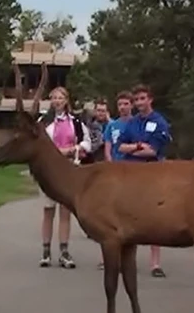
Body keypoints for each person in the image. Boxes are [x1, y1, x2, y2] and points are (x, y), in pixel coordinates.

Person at [117, 85, 172, 277]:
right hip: (130, 175)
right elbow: (121, 147)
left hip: (152, 175)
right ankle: (125, 260)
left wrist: (133, 148)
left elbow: (153, 151)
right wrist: (137, 146)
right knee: (127, 215)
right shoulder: (131, 123)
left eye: (142, 99)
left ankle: (155, 264)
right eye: (136, 100)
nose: (139, 103)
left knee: (152, 218)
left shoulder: (159, 122)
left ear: (150, 99)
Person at [37, 86, 90, 269]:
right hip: (49, 172)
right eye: (54, 98)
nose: (57, 101)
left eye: (61, 98)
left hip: (69, 171)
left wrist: (73, 150)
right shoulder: (44, 122)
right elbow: (39, 145)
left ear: (66, 100)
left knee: (65, 212)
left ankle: (64, 251)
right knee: (48, 210)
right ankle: (45, 251)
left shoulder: (75, 122)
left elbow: (86, 143)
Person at [102, 91, 133, 163]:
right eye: (119, 104)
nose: (122, 107)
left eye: (126, 104)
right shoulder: (111, 125)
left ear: (132, 105)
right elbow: (107, 150)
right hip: (116, 164)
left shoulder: (137, 124)